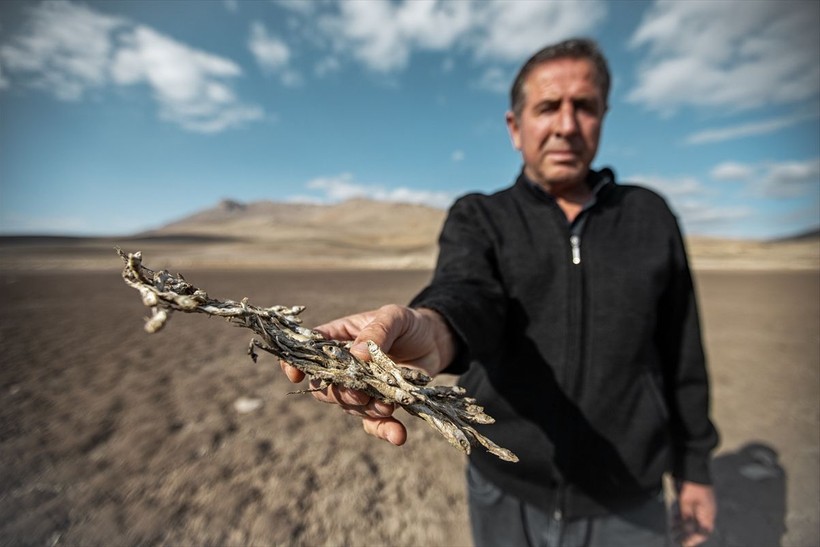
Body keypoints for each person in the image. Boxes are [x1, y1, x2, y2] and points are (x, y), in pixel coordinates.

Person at [281, 38, 718, 547]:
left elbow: (682, 351)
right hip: (504, 486)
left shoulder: (649, 216)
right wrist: (433, 330)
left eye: (585, 107)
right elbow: (467, 292)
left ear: (603, 117)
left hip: (629, 497)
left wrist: (696, 470)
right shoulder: (481, 217)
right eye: (548, 107)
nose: (566, 125)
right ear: (515, 127)